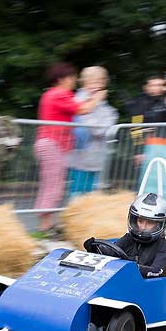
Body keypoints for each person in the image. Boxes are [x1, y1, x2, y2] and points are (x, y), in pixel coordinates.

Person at [33, 62, 107, 234]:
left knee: (52, 184)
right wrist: (98, 97)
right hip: (53, 144)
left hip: (50, 143)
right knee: (54, 185)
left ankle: (47, 223)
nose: (74, 81)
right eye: (72, 77)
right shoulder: (59, 94)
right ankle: (45, 226)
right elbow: (83, 109)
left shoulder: (52, 94)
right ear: (61, 79)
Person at [83, 192, 166, 278]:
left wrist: (129, 267)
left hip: (146, 289)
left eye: (150, 223)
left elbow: (156, 271)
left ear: (159, 225)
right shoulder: (128, 239)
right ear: (134, 220)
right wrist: (94, 249)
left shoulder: (164, 246)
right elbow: (111, 254)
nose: (143, 227)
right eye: (140, 221)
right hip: (123, 282)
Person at [66, 66, 119, 198]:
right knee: (77, 192)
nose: (96, 86)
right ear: (84, 82)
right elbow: (95, 128)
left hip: (97, 156)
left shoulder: (103, 104)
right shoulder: (78, 100)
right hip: (80, 156)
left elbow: (111, 121)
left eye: (100, 82)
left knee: (92, 193)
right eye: (92, 82)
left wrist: (103, 126)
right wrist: (104, 126)